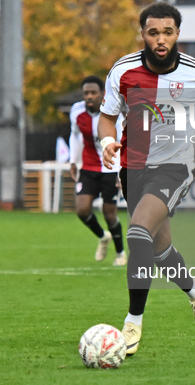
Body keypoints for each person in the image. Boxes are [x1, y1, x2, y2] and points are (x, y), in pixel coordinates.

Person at [98, 2, 195, 356]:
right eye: (153, 32)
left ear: (177, 35)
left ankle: (133, 323)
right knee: (158, 249)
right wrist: (108, 141)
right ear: (142, 34)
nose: (160, 39)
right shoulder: (122, 72)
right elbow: (107, 118)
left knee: (138, 231)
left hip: (175, 168)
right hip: (133, 169)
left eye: (167, 32)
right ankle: (194, 290)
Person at [69, 76, 127, 266]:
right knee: (82, 209)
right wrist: (73, 161)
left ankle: (120, 253)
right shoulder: (76, 111)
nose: (89, 96)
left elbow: (121, 141)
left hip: (110, 168)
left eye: (94, 92)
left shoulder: (113, 113)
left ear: (102, 93)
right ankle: (103, 237)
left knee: (109, 213)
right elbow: (75, 135)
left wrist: (120, 171)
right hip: (88, 167)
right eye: (86, 93)